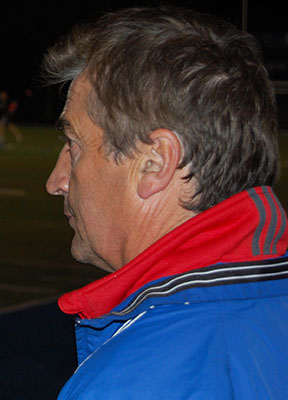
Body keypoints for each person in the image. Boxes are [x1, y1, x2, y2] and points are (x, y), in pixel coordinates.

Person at [42, 6, 288, 399]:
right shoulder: (270, 307)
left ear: (154, 163)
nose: (57, 182)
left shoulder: (135, 380)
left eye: (74, 146)